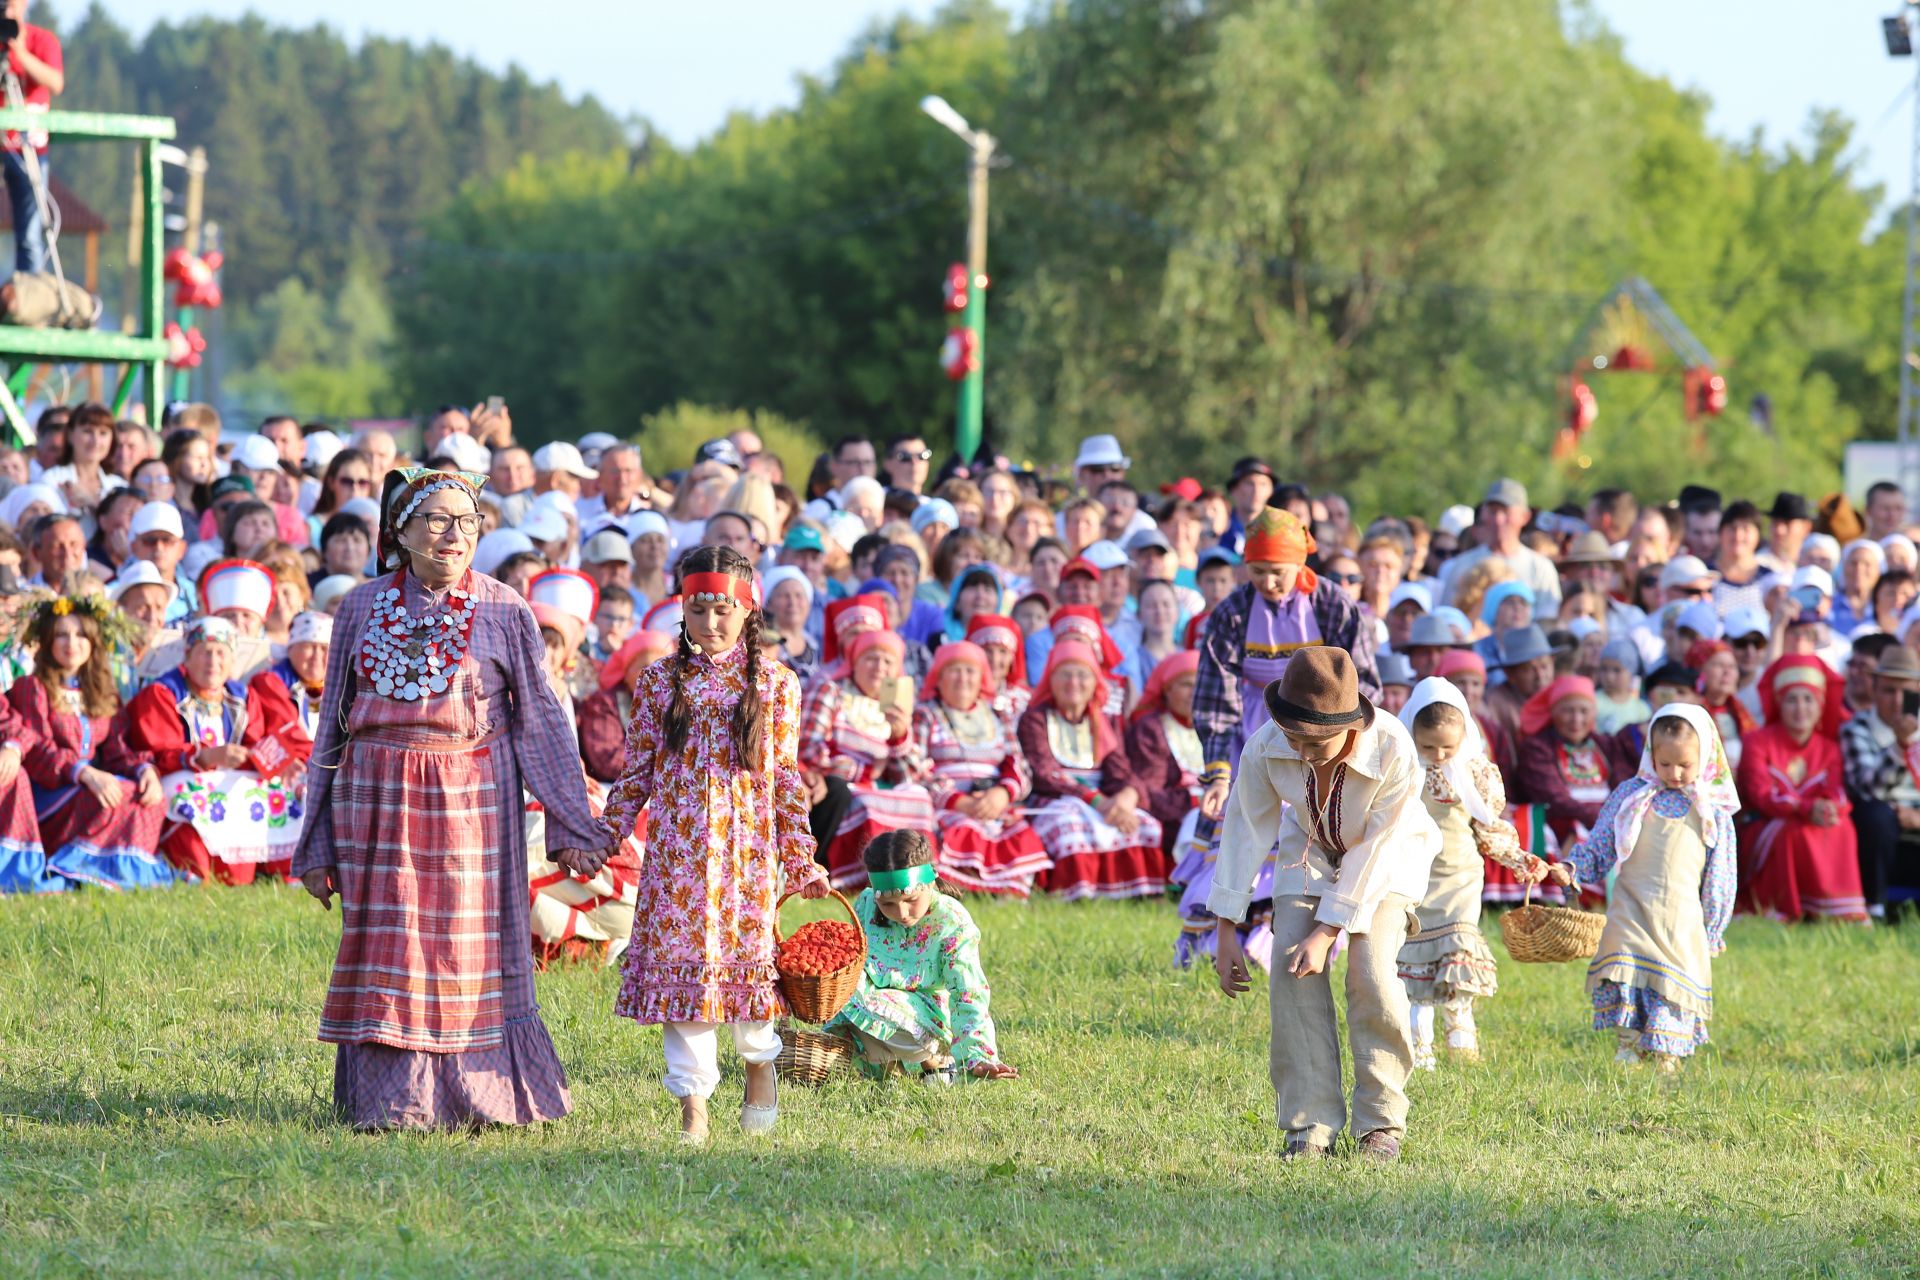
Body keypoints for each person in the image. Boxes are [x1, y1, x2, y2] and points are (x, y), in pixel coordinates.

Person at [292, 467, 606, 1131]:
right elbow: (333, 726)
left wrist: (571, 824)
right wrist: (315, 843)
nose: (451, 534)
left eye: (466, 521)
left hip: (470, 806)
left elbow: (542, 720)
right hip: (374, 803)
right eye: (434, 519)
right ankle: (390, 1104)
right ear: (399, 531)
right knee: (393, 946)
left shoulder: (504, 608)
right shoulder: (358, 607)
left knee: (463, 952)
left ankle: (482, 1099)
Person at [587, 544, 828, 1142]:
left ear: (748, 612)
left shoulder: (776, 685)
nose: (711, 623)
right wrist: (604, 834)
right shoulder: (660, 681)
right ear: (682, 614)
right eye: (698, 611)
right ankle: (693, 1106)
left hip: (745, 856)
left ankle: (759, 1067)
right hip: (678, 855)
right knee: (684, 982)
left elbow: (784, 779)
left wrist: (799, 858)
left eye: (723, 610)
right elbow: (637, 769)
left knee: (750, 974)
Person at [1208, 647, 1439, 1162]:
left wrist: (1329, 930)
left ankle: (1381, 1122)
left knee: (1371, 967)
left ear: (1352, 723)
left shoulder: (1393, 750)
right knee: (1292, 967)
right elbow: (1244, 830)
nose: (1304, 753)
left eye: (1317, 742)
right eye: (1295, 739)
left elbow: (1377, 851)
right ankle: (1309, 1126)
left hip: (1387, 860)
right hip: (1309, 849)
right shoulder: (1267, 745)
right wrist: (1226, 929)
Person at [1551, 705, 1738, 1074]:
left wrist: (1713, 928)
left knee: (1671, 983)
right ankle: (1628, 1047)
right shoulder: (1632, 796)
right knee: (1626, 972)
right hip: (1631, 908)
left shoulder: (1712, 811)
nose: (1674, 773)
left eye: (1684, 764)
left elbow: (1721, 876)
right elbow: (1602, 842)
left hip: (1679, 919)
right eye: (1664, 763)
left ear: (1706, 755)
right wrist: (1574, 868)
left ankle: (1666, 1055)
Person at [1194, 507, 1377, 836]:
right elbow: (1215, 699)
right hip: (1249, 731)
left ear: (1299, 563)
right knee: (1247, 828)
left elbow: (1361, 680)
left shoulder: (1332, 604)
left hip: (1323, 730)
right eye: (1257, 570)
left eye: (1277, 571)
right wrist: (1218, 775)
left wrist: (1350, 744)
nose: (1267, 581)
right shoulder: (1232, 612)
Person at [1396, 679, 1544, 1070]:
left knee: (1459, 947)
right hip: (1414, 876)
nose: (1439, 754)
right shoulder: (1401, 769)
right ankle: (1418, 1046)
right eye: (1428, 746)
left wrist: (1520, 860)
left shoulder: (1475, 773)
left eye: (1448, 746)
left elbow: (1489, 827)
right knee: (1416, 960)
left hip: (1460, 875)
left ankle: (1461, 1034)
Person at [822, 830, 1017, 1082]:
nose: (902, 913)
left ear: (930, 880)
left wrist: (978, 1055)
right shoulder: (866, 905)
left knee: (862, 1002)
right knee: (844, 996)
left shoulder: (951, 921)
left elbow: (968, 991)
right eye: (888, 905)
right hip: (868, 1009)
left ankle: (934, 1061)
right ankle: (893, 1074)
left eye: (911, 899)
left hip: (927, 1018)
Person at [7, 589, 169, 891]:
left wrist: (145, 771)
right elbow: (38, 750)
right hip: (51, 791)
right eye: (62, 635)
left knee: (144, 799)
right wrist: (84, 773)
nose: (72, 644)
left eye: (81, 635)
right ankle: (74, 865)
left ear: (93, 643)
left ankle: (117, 873)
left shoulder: (102, 693)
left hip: (90, 784)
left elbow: (118, 749)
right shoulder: (33, 687)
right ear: (48, 641)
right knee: (109, 797)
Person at [1018, 638, 1168, 900]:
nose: (1073, 683)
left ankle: (1135, 893)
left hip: (1102, 801)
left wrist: (1127, 796)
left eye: (1082, 675)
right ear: (1051, 680)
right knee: (1070, 827)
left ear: (1095, 682)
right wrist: (1096, 801)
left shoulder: (1101, 721)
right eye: (1065, 674)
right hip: (1056, 799)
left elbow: (1118, 768)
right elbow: (1045, 771)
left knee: (1145, 824)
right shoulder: (1035, 719)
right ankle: (1076, 893)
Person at [799, 628, 939, 889]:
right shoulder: (832, 692)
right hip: (840, 784)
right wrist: (864, 772)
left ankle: (911, 879)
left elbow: (909, 774)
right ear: (855, 661)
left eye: (888, 662)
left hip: (880, 785)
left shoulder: (902, 707)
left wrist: (899, 736)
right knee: (865, 802)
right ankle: (862, 878)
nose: (879, 667)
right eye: (871, 658)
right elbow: (808, 749)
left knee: (919, 797)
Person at [1735, 656, 1868, 922]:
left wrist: (1830, 807)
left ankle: (1833, 909)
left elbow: (1836, 790)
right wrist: (1806, 807)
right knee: (1792, 832)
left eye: (1809, 700)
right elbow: (1759, 794)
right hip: (1765, 823)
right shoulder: (1757, 742)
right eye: (1791, 699)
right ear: (1779, 704)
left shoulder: (1828, 748)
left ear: (1820, 706)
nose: (1800, 708)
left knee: (1842, 827)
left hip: (1808, 819)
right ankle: (1784, 907)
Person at [911, 640, 1049, 897]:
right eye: (954, 669)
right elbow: (915, 768)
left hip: (994, 804)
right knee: (964, 829)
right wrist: (958, 801)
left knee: (1016, 833)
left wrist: (1002, 794)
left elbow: (1018, 766)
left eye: (970, 670)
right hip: (948, 805)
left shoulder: (998, 718)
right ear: (938, 678)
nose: (963, 678)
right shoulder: (925, 716)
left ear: (982, 678)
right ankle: (961, 888)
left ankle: (1005, 889)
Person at [1839, 643, 1920, 917]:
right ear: (1874, 689)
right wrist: (1900, 745)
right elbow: (1866, 787)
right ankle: (1875, 906)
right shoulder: (1856, 728)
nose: (1898, 700)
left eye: (1906, 691)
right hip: (1883, 823)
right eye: (1889, 690)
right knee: (1875, 814)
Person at [1513, 674, 1634, 846]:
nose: (1576, 720)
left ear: (1594, 713)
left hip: (1609, 822)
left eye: (1584, 711)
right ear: (1553, 712)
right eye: (1568, 711)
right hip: (1562, 828)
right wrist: (1601, 818)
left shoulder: (1605, 744)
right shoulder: (1537, 748)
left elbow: (1623, 786)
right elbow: (1553, 799)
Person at [1, 0, 63, 274]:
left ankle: (29, 301)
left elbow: (56, 82)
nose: (6, 12)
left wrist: (19, 52)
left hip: (30, 150)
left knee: (30, 234)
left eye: (11, 5)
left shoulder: (43, 40)